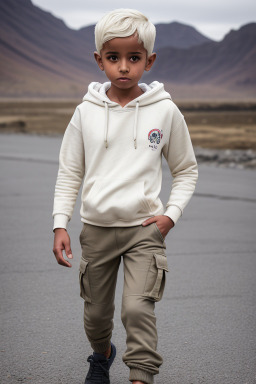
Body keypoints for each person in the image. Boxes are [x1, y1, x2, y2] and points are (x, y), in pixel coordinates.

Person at [52, 8, 198, 384]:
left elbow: (186, 170)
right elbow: (70, 171)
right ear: (99, 60)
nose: (123, 67)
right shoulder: (85, 113)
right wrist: (60, 224)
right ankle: (101, 356)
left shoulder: (165, 111)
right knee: (96, 315)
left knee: (137, 309)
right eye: (113, 57)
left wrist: (172, 214)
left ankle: (140, 376)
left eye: (134, 58)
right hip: (97, 230)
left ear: (149, 61)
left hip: (145, 230)